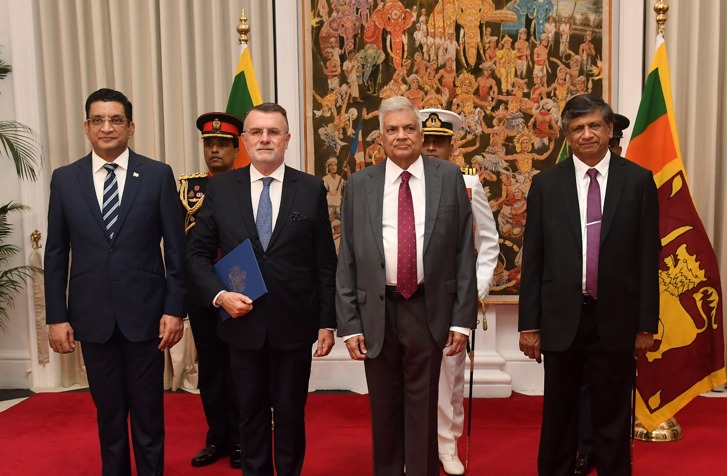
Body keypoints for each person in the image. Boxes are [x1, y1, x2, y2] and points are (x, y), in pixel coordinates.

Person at [186, 102, 337, 476]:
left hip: (294, 324)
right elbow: (197, 253)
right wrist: (220, 295)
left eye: (273, 132)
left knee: (290, 414)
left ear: (287, 139)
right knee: (249, 414)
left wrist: (327, 322)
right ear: (244, 140)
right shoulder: (221, 188)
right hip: (241, 323)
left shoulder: (310, 189)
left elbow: (324, 262)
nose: (265, 139)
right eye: (256, 132)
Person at [45, 88, 187, 476]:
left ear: (131, 127)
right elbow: (55, 253)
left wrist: (175, 309)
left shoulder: (157, 175)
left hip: (147, 317)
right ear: (86, 127)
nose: (107, 127)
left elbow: (177, 251)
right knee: (108, 416)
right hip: (92, 317)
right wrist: (56, 317)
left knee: (148, 415)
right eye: (98, 120)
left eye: (115, 120)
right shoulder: (65, 179)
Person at [336, 96, 478, 476]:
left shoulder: (448, 177)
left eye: (409, 128)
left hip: (428, 308)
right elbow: (347, 257)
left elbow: (464, 251)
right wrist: (349, 323)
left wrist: (462, 320)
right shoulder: (360, 184)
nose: (401, 136)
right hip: (376, 310)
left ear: (420, 134)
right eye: (393, 129)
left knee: (424, 408)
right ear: (381, 137)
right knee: (383, 410)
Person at [518, 94, 660, 476]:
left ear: (609, 129)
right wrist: (529, 324)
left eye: (595, 125)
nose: (587, 134)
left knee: (613, 421)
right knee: (558, 420)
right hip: (561, 320)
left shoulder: (638, 181)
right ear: (567, 135)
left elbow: (649, 258)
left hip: (616, 319)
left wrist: (646, 324)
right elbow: (533, 260)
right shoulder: (546, 185)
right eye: (578, 128)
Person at [419, 108, 499, 475]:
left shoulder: (468, 184)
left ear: (452, 146)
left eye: (439, 142)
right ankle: (420, 442)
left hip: (452, 297)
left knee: (449, 374)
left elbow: (489, 242)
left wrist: (475, 290)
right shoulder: (401, 182)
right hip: (411, 296)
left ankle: (446, 444)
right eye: (426, 140)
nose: (430, 147)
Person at [181, 112, 243, 469]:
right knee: (211, 369)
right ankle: (217, 437)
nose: (215, 150)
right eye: (209, 144)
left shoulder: (248, 184)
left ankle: (242, 439)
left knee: (242, 368)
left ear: (236, 149)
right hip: (204, 294)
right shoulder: (187, 189)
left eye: (222, 144)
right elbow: (180, 246)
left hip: (243, 289)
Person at [574, 112, 631, 476]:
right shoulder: (571, 182)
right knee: (580, 385)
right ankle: (584, 447)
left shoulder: (631, 182)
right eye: (580, 129)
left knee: (613, 388)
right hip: (576, 306)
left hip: (616, 307)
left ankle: (608, 451)